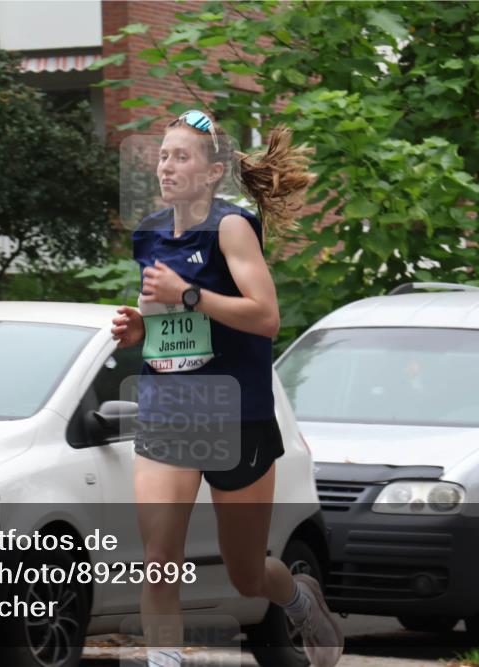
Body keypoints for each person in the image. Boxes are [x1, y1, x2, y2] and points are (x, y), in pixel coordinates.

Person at [110, 110, 345, 667]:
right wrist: (143, 329)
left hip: (236, 414)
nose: (166, 166)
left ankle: (298, 597)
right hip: (170, 407)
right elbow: (179, 327)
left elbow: (266, 318)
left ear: (214, 171)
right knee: (159, 558)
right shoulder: (148, 231)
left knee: (245, 573)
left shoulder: (232, 227)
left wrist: (187, 294)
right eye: (163, 155)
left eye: (181, 156)